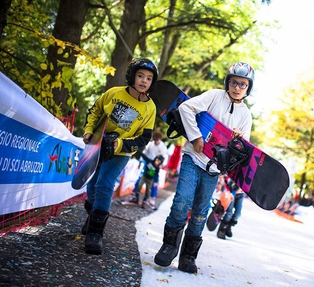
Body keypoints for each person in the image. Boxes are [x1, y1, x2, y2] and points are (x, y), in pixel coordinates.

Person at [154, 62, 255, 273]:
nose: (237, 87)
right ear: (228, 82)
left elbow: (242, 150)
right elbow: (185, 107)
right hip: (193, 157)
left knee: (200, 211)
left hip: (214, 168)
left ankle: (188, 257)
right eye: (234, 82)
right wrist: (195, 136)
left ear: (248, 88)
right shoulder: (214, 96)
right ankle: (168, 247)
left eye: (242, 84)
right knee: (182, 201)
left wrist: (238, 140)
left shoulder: (246, 115)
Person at [80, 57, 158, 255]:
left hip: (121, 151)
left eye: (149, 78)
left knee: (105, 184)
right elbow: (95, 110)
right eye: (140, 76)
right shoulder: (114, 93)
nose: (144, 81)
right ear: (132, 76)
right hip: (99, 145)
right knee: (92, 185)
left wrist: (120, 143)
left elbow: (144, 138)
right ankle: (92, 216)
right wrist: (89, 130)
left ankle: (96, 234)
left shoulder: (150, 108)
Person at [130, 130, 168, 207]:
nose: (156, 141)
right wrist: (140, 161)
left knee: (154, 182)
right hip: (148, 162)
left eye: (157, 140)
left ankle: (152, 197)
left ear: (160, 139)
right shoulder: (150, 144)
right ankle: (135, 194)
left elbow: (165, 157)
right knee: (141, 178)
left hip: (156, 165)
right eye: (154, 140)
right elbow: (144, 153)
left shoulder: (162, 147)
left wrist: (162, 164)